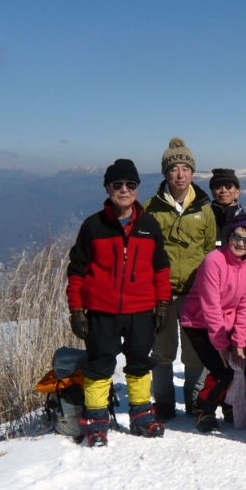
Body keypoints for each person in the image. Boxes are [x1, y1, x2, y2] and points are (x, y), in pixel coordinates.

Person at [66, 159, 172, 447]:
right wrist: (76, 309)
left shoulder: (149, 225)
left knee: (139, 363)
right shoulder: (93, 226)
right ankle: (97, 423)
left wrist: (162, 303)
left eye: (130, 185)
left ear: (137, 189)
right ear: (108, 189)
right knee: (99, 365)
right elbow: (76, 271)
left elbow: (161, 267)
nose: (124, 190)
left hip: (141, 310)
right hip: (102, 310)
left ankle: (141, 417)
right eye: (118, 185)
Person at [144, 137, 217, 419]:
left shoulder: (204, 209)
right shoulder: (151, 208)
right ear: (165, 173)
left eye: (185, 168)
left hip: (195, 293)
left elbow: (210, 250)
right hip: (161, 292)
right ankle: (163, 402)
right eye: (173, 169)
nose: (179, 174)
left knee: (195, 352)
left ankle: (194, 400)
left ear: (192, 172)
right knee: (162, 351)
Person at [179, 213, 246, 433]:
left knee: (243, 367)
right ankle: (203, 409)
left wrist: (238, 342)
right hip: (197, 322)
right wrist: (222, 345)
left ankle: (232, 406)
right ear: (228, 236)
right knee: (222, 370)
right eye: (237, 236)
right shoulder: (213, 260)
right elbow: (211, 305)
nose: (241, 243)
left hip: (228, 323)